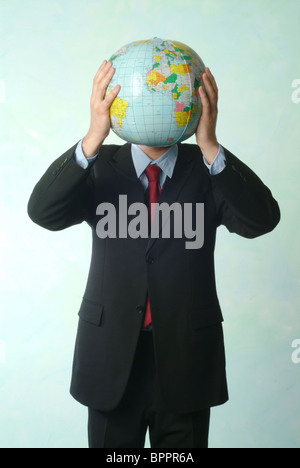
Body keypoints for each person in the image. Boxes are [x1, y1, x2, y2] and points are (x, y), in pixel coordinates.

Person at [28, 60, 280, 448]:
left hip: (185, 361)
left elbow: (261, 219)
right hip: (112, 360)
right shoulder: (99, 169)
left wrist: (210, 145)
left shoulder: (207, 170)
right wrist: (92, 138)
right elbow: (43, 212)